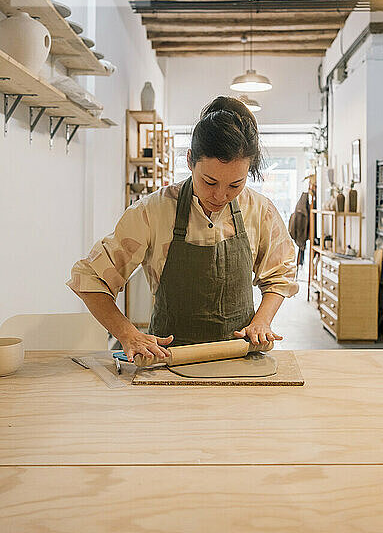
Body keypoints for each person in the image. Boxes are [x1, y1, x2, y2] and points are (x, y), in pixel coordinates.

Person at [66, 96, 298, 362]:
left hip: (239, 357)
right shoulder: (153, 211)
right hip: (168, 360)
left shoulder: (259, 210)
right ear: (190, 161)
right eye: (209, 181)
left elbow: (280, 275)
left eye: (235, 184)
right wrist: (128, 334)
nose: (220, 195)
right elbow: (90, 278)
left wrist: (262, 321)